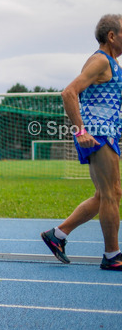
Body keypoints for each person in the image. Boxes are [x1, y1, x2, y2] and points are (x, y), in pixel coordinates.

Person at [41, 14, 122, 271]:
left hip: (107, 132)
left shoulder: (111, 63)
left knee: (107, 194)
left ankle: (59, 234)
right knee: (111, 194)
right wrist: (80, 131)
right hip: (97, 133)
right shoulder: (100, 60)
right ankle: (112, 255)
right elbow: (69, 92)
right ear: (112, 36)